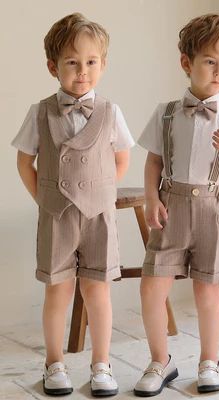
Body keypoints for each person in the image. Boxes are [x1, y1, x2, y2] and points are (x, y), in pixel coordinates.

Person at [134, 13, 219, 397]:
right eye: (211, 61)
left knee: (208, 290)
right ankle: (161, 360)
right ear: (186, 63)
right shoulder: (167, 113)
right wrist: (151, 197)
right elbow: (154, 161)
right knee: (152, 286)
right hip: (171, 206)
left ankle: (210, 361)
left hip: (214, 209)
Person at [12, 12, 134, 397]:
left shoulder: (110, 112)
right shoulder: (41, 111)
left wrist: (102, 192)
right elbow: (23, 161)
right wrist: (45, 199)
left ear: (103, 64)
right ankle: (54, 363)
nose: (82, 72)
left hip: (98, 214)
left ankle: (102, 364)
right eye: (72, 63)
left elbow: (121, 157)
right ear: (53, 67)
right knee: (58, 291)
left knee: (98, 291)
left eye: (91, 62)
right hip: (57, 215)